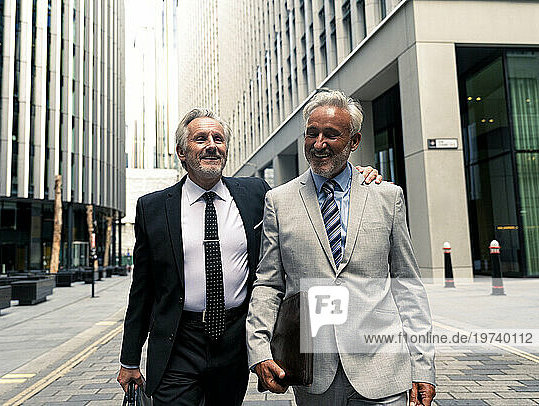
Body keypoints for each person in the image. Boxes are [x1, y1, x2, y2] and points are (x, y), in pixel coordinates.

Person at [117, 107, 382, 406]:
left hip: (234, 341)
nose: (212, 145)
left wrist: (353, 176)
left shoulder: (256, 194)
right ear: (181, 151)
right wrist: (129, 359)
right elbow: (142, 290)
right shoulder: (153, 208)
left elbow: (307, 194)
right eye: (201, 138)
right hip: (178, 340)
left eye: (218, 138)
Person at [246, 90, 436, 406]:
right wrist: (259, 349)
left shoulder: (387, 197)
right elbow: (268, 284)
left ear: (354, 141)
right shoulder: (278, 202)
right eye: (311, 134)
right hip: (314, 373)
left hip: (384, 366)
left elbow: (408, 287)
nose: (319, 144)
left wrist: (423, 366)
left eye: (331, 134)